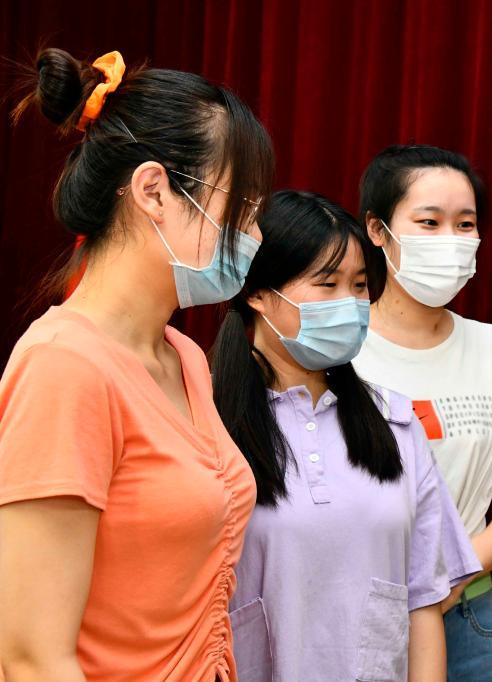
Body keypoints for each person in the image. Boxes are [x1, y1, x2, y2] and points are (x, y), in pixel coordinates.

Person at [0, 48, 273, 680]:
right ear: (154, 191)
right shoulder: (64, 368)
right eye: (243, 207)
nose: (255, 236)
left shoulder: (182, 355)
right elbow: (33, 658)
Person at [210, 190, 480, 682]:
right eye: (327, 283)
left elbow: (423, 601)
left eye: (359, 286)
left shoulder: (395, 424)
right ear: (258, 293)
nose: (351, 304)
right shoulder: (205, 421)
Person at [352, 144, 492, 681]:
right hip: (358, 613)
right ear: (377, 230)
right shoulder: (340, 350)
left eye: (464, 224)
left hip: (468, 617)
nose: (451, 239)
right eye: (429, 222)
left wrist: (451, 578)